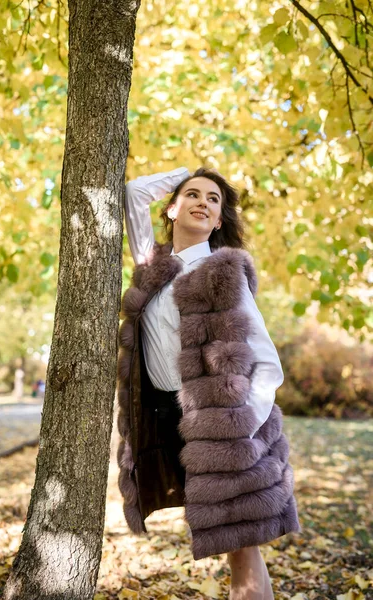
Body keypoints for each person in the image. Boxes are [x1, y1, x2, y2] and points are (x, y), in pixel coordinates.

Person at [117, 166, 301, 600]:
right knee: (231, 542)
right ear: (172, 208)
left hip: (223, 428)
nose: (203, 202)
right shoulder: (152, 267)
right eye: (193, 195)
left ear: (219, 222)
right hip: (168, 421)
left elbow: (267, 363)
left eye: (214, 200)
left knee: (240, 548)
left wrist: (240, 426)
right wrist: (187, 173)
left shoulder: (222, 273)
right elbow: (132, 193)